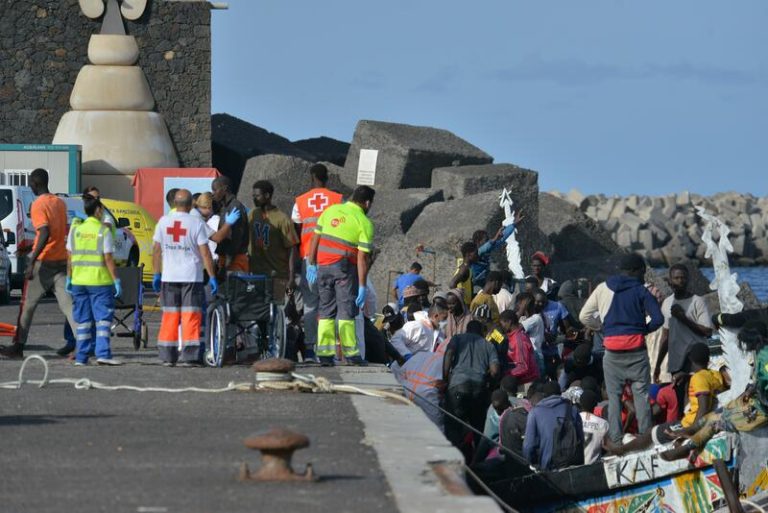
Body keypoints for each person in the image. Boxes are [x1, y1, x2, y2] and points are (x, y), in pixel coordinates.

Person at [579, 253, 664, 444]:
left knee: (614, 398)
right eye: (642, 272)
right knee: (641, 395)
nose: (644, 276)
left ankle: (616, 440)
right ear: (635, 271)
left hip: (612, 353)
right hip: (636, 351)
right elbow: (659, 319)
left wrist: (600, 327)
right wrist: (644, 330)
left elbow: (584, 316)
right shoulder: (641, 291)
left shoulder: (602, 289)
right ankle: (645, 438)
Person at [658, 321, 768, 461]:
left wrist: (756, 391)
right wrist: (751, 390)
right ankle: (690, 432)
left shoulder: (764, 356)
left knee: (715, 423)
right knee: (712, 416)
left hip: (761, 409)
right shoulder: (760, 353)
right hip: (755, 401)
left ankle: (687, 448)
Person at [0, 169, 78, 360]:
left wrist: (32, 259)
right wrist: (29, 248)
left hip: (42, 264)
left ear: (34, 184)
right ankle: (83, 345)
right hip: (60, 260)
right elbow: (57, 232)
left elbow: (44, 232)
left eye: (31, 184)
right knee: (68, 305)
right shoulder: (59, 203)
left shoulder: (38, 204)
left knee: (27, 306)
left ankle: (18, 347)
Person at [604, 342, 725, 457]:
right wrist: (687, 375)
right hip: (690, 422)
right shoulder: (714, 375)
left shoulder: (698, 378)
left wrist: (689, 431)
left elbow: (703, 408)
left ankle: (621, 450)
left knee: (650, 434)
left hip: (689, 424)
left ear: (690, 359)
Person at [306, 185, 375, 366]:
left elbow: (315, 238)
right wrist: (362, 285)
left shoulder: (331, 210)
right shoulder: (364, 222)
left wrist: (311, 263)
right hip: (343, 270)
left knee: (326, 311)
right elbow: (362, 259)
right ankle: (351, 354)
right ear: (367, 203)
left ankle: (325, 356)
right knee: (346, 312)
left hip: (322, 267)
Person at [152, 189, 218, 366]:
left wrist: (156, 273)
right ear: (191, 205)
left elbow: (156, 250)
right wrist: (212, 276)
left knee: (170, 317)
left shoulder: (163, 222)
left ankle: (167, 356)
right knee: (191, 316)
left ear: (174, 204)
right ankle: (190, 357)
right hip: (192, 277)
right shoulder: (196, 223)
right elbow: (205, 254)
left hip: (169, 277)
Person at [292, 163, 344, 361]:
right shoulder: (338, 200)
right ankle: (327, 350)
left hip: (308, 259)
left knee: (311, 304)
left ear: (311, 177)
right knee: (330, 304)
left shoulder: (300, 201)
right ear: (327, 177)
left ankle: (310, 349)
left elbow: (296, 231)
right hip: (332, 258)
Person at [66, 194, 122, 366]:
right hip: (100, 282)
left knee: (82, 322)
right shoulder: (103, 231)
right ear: (98, 210)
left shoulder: (75, 230)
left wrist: (69, 278)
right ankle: (103, 354)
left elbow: (69, 257)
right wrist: (116, 281)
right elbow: (108, 259)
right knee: (103, 320)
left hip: (79, 283)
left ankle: (81, 357)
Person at [443, 320, 501, 447]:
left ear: (467, 330)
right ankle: (476, 462)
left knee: (453, 428)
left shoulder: (457, 338)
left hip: (457, 386)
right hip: (478, 389)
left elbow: (448, 355)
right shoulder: (488, 345)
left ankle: (454, 457)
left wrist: (445, 379)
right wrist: (490, 386)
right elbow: (495, 371)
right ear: (481, 331)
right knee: (478, 429)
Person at [654, 264, 713, 383]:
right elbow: (665, 336)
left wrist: (683, 319)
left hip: (694, 359)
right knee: (679, 397)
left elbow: (708, 331)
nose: (680, 281)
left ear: (688, 280)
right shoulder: (667, 303)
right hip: (676, 361)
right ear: (670, 281)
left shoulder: (698, 301)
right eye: (676, 278)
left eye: (683, 278)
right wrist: (657, 365)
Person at [248, 180, 300, 302]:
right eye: (253, 196)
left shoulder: (282, 219)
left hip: (278, 275)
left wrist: (291, 277)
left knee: (279, 308)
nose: (254, 199)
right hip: (257, 274)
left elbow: (292, 247)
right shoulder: (252, 214)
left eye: (257, 196)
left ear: (267, 196)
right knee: (259, 309)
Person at [523, 381, 584, 471]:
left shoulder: (535, 413)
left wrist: (533, 464)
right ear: (560, 393)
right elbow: (581, 437)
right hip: (573, 464)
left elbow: (528, 446)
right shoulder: (572, 409)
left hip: (549, 466)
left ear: (543, 395)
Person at [392, 337, 450, 430]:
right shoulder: (446, 363)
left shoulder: (421, 355)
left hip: (406, 391)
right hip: (427, 396)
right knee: (437, 430)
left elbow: (401, 371)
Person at [533, 288, 576, 378]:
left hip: (553, 349)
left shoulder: (558, 306)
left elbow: (567, 328)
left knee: (556, 374)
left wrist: (564, 337)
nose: (540, 304)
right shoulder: (532, 312)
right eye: (537, 301)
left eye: (542, 301)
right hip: (537, 351)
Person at [211, 176, 249, 275]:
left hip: (234, 260)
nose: (213, 193)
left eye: (215, 190)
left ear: (225, 189)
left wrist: (228, 262)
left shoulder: (235, 207)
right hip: (225, 259)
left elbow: (237, 236)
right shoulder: (224, 207)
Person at [471, 216, 518, 289]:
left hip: (485, 279)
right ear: (478, 242)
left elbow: (502, 239)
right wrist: (495, 237)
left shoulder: (489, 247)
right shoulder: (475, 252)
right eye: (486, 240)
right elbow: (487, 246)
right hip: (475, 283)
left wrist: (513, 224)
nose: (489, 240)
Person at [499, 310, 540, 385]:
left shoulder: (519, 339)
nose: (502, 327)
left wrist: (504, 375)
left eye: (502, 324)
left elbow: (523, 367)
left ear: (509, 322)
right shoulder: (512, 336)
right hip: (518, 379)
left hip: (526, 382)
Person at [516, 292, 546, 374]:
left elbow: (514, 328)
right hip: (527, 357)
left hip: (535, 358)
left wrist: (522, 310)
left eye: (519, 304)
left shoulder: (536, 318)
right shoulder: (524, 319)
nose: (517, 306)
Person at [579, 389, 609, 464]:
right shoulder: (603, 423)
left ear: (580, 403)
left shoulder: (573, 420)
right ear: (595, 405)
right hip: (594, 467)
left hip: (575, 467)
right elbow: (607, 446)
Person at [449, 241, 478, 306]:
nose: (477, 256)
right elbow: (452, 284)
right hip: (464, 305)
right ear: (468, 254)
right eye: (476, 253)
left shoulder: (466, 266)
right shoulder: (464, 269)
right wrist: (459, 301)